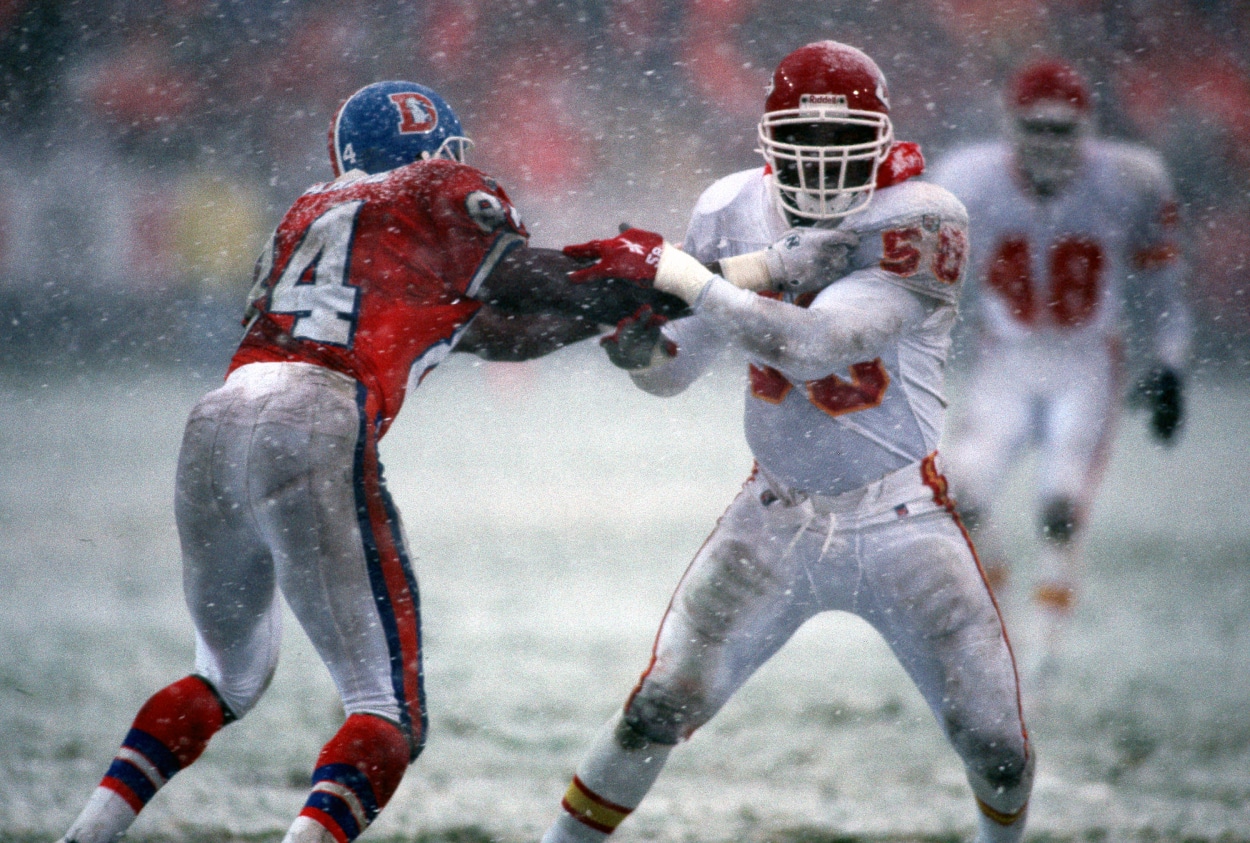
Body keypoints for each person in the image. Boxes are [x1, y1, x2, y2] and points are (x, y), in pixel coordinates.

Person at [52, 80, 701, 843]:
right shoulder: (436, 185)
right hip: (315, 413)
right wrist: (642, 274)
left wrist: (614, 310)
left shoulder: (309, 211)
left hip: (217, 420)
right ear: (434, 153)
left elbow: (491, 331)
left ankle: (85, 834)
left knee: (225, 675)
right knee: (388, 711)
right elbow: (521, 274)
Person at [540, 41, 1033, 843]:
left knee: (997, 745)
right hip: (775, 511)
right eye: (808, 140)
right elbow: (676, 371)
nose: (825, 162)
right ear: (769, 138)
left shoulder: (921, 215)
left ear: (880, 140)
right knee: (657, 707)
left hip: (901, 514)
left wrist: (681, 273)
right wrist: (639, 351)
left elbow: (815, 344)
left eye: (844, 143)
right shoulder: (731, 204)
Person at [929, 59, 1191, 676]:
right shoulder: (966, 178)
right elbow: (924, 281)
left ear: (1088, 129)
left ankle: (1045, 645)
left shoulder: (1130, 179)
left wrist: (1170, 366)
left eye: (1062, 129)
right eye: (1035, 127)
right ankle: (1004, 619)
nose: (1049, 143)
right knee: (958, 494)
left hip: (1087, 361)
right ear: (1009, 126)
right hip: (1007, 357)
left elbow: (1164, 290)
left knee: (1061, 506)